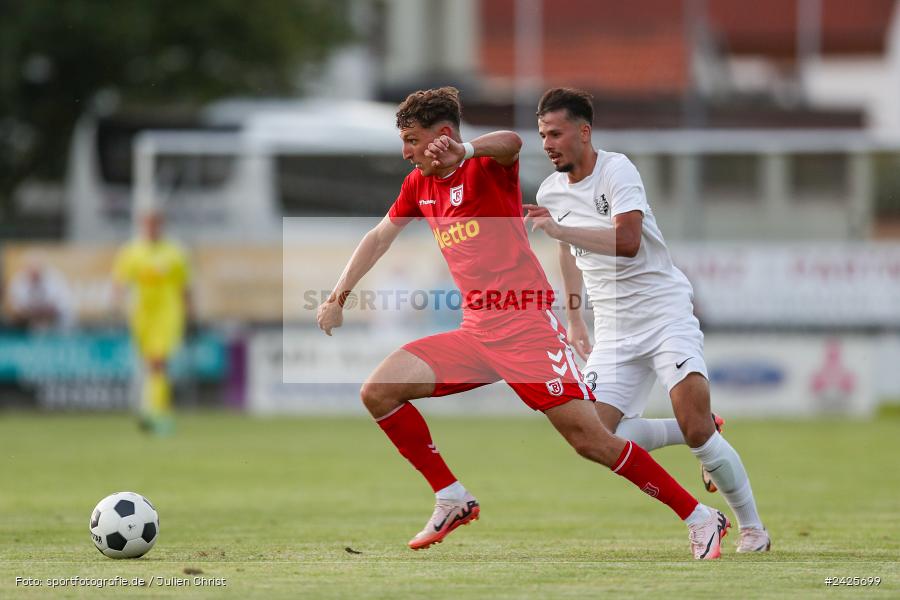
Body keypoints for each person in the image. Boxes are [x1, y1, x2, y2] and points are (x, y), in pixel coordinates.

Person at [316, 86, 730, 559]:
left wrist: (466, 149)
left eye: (412, 140)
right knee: (378, 390)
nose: (406, 152)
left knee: (591, 440)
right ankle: (452, 496)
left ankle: (700, 517)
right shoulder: (419, 185)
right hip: (476, 332)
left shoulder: (487, 166)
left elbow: (511, 141)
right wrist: (336, 297)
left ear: (443, 137)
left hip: (526, 326)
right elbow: (377, 237)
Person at [524, 87, 770, 553]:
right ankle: (699, 427)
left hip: (664, 315)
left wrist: (560, 228)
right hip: (614, 331)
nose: (547, 143)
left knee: (698, 434)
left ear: (584, 131)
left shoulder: (618, 170)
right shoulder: (550, 190)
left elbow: (629, 240)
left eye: (555, 133)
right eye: (541, 135)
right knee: (592, 435)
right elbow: (568, 254)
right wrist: (575, 320)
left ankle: (753, 529)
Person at [112, 209, 191, 436]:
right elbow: (120, 281)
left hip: (167, 314)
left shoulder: (174, 253)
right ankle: (159, 412)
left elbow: (183, 285)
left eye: (155, 224)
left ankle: (155, 415)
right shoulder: (132, 252)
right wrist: (117, 304)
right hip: (142, 314)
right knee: (152, 365)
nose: (151, 229)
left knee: (158, 361)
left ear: (161, 226)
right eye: (148, 225)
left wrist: (188, 312)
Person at [7, 257, 76, 332]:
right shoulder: (18, 281)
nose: (34, 277)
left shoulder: (55, 279)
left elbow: (60, 305)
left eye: (36, 273)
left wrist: (42, 314)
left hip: (56, 320)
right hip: (29, 320)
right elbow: (17, 309)